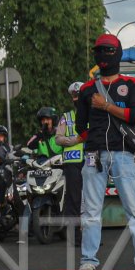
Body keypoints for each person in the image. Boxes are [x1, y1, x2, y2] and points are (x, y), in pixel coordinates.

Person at [75, 33, 135, 270]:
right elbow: (80, 126)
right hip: (94, 156)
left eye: (110, 50)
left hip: (123, 154)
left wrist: (107, 106)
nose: (104, 55)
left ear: (118, 53)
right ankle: (88, 261)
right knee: (90, 212)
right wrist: (96, 143)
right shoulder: (87, 89)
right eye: (99, 50)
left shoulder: (130, 84)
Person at [55, 81, 86, 242]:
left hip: (90, 162)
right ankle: (75, 236)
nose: (76, 99)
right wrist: (76, 140)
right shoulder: (66, 118)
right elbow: (58, 139)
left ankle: (90, 234)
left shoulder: (92, 116)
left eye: (78, 96)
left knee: (89, 199)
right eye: (74, 96)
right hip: (72, 163)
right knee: (74, 200)